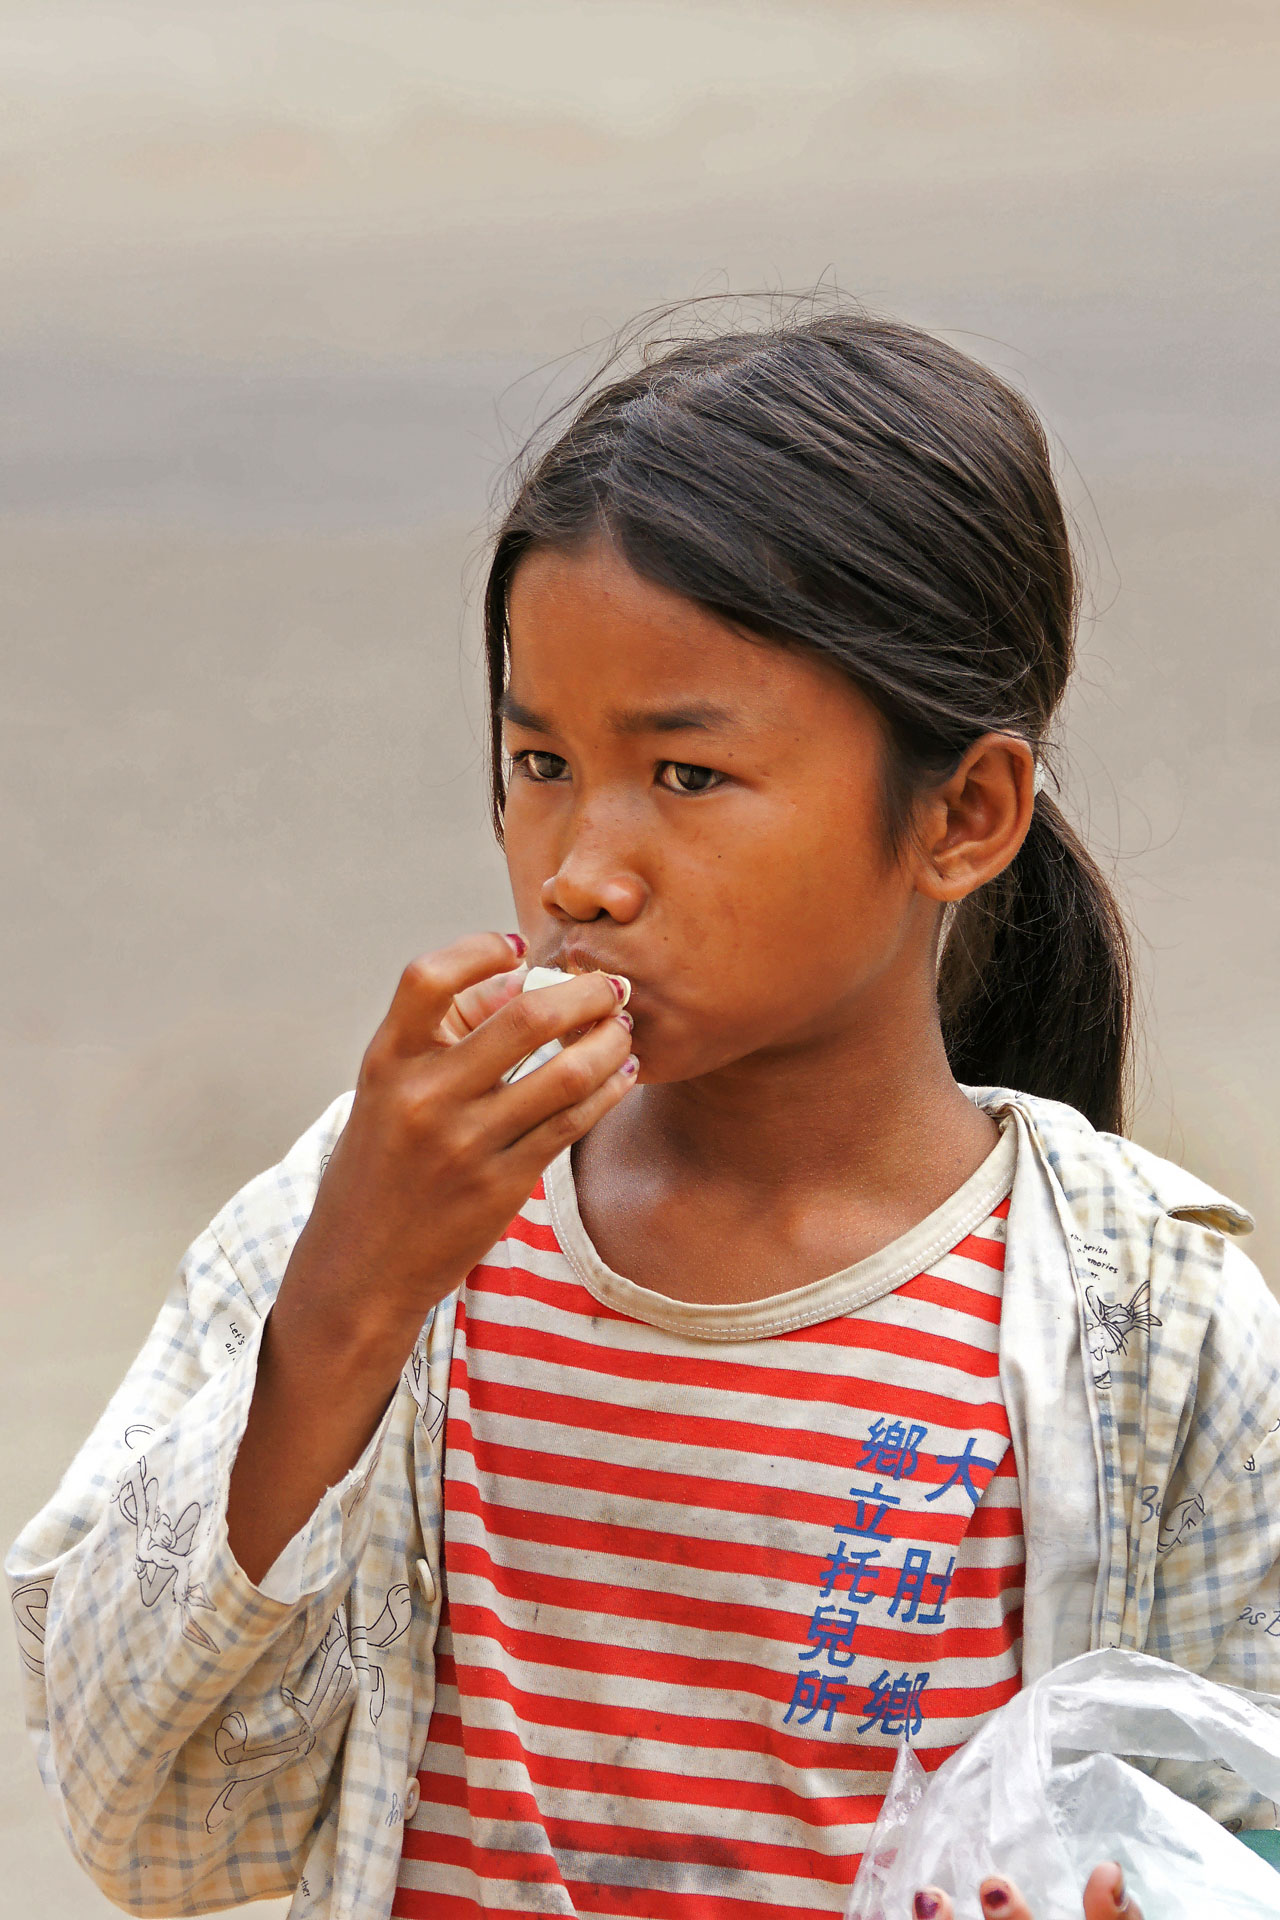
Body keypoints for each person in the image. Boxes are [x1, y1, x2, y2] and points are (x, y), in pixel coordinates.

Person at [8, 307, 1280, 1920]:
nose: (578, 871)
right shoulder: (384, 1216)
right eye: (539, 760)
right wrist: (348, 1301)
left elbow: (1230, 1825)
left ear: (963, 814)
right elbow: (148, 1821)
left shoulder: (1156, 1332)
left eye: (685, 778)